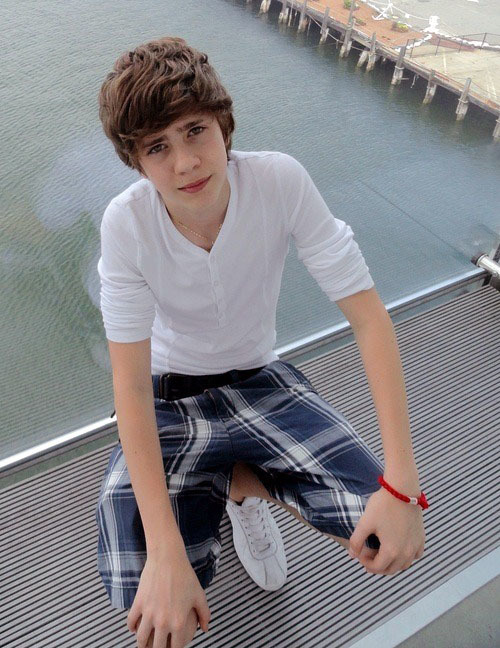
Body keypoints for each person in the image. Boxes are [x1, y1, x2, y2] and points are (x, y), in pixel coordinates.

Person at [94, 36, 427, 648]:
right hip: (168, 400)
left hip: (261, 382)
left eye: (195, 131)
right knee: (146, 593)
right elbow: (130, 388)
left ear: (223, 124)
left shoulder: (278, 180)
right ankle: (241, 482)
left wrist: (402, 482)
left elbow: (369, 319)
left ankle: (230, 484)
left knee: (384, 532)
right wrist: (166, 554)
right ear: (136, 162)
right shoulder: (127, 222)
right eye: (157, 147)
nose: (185, 162)